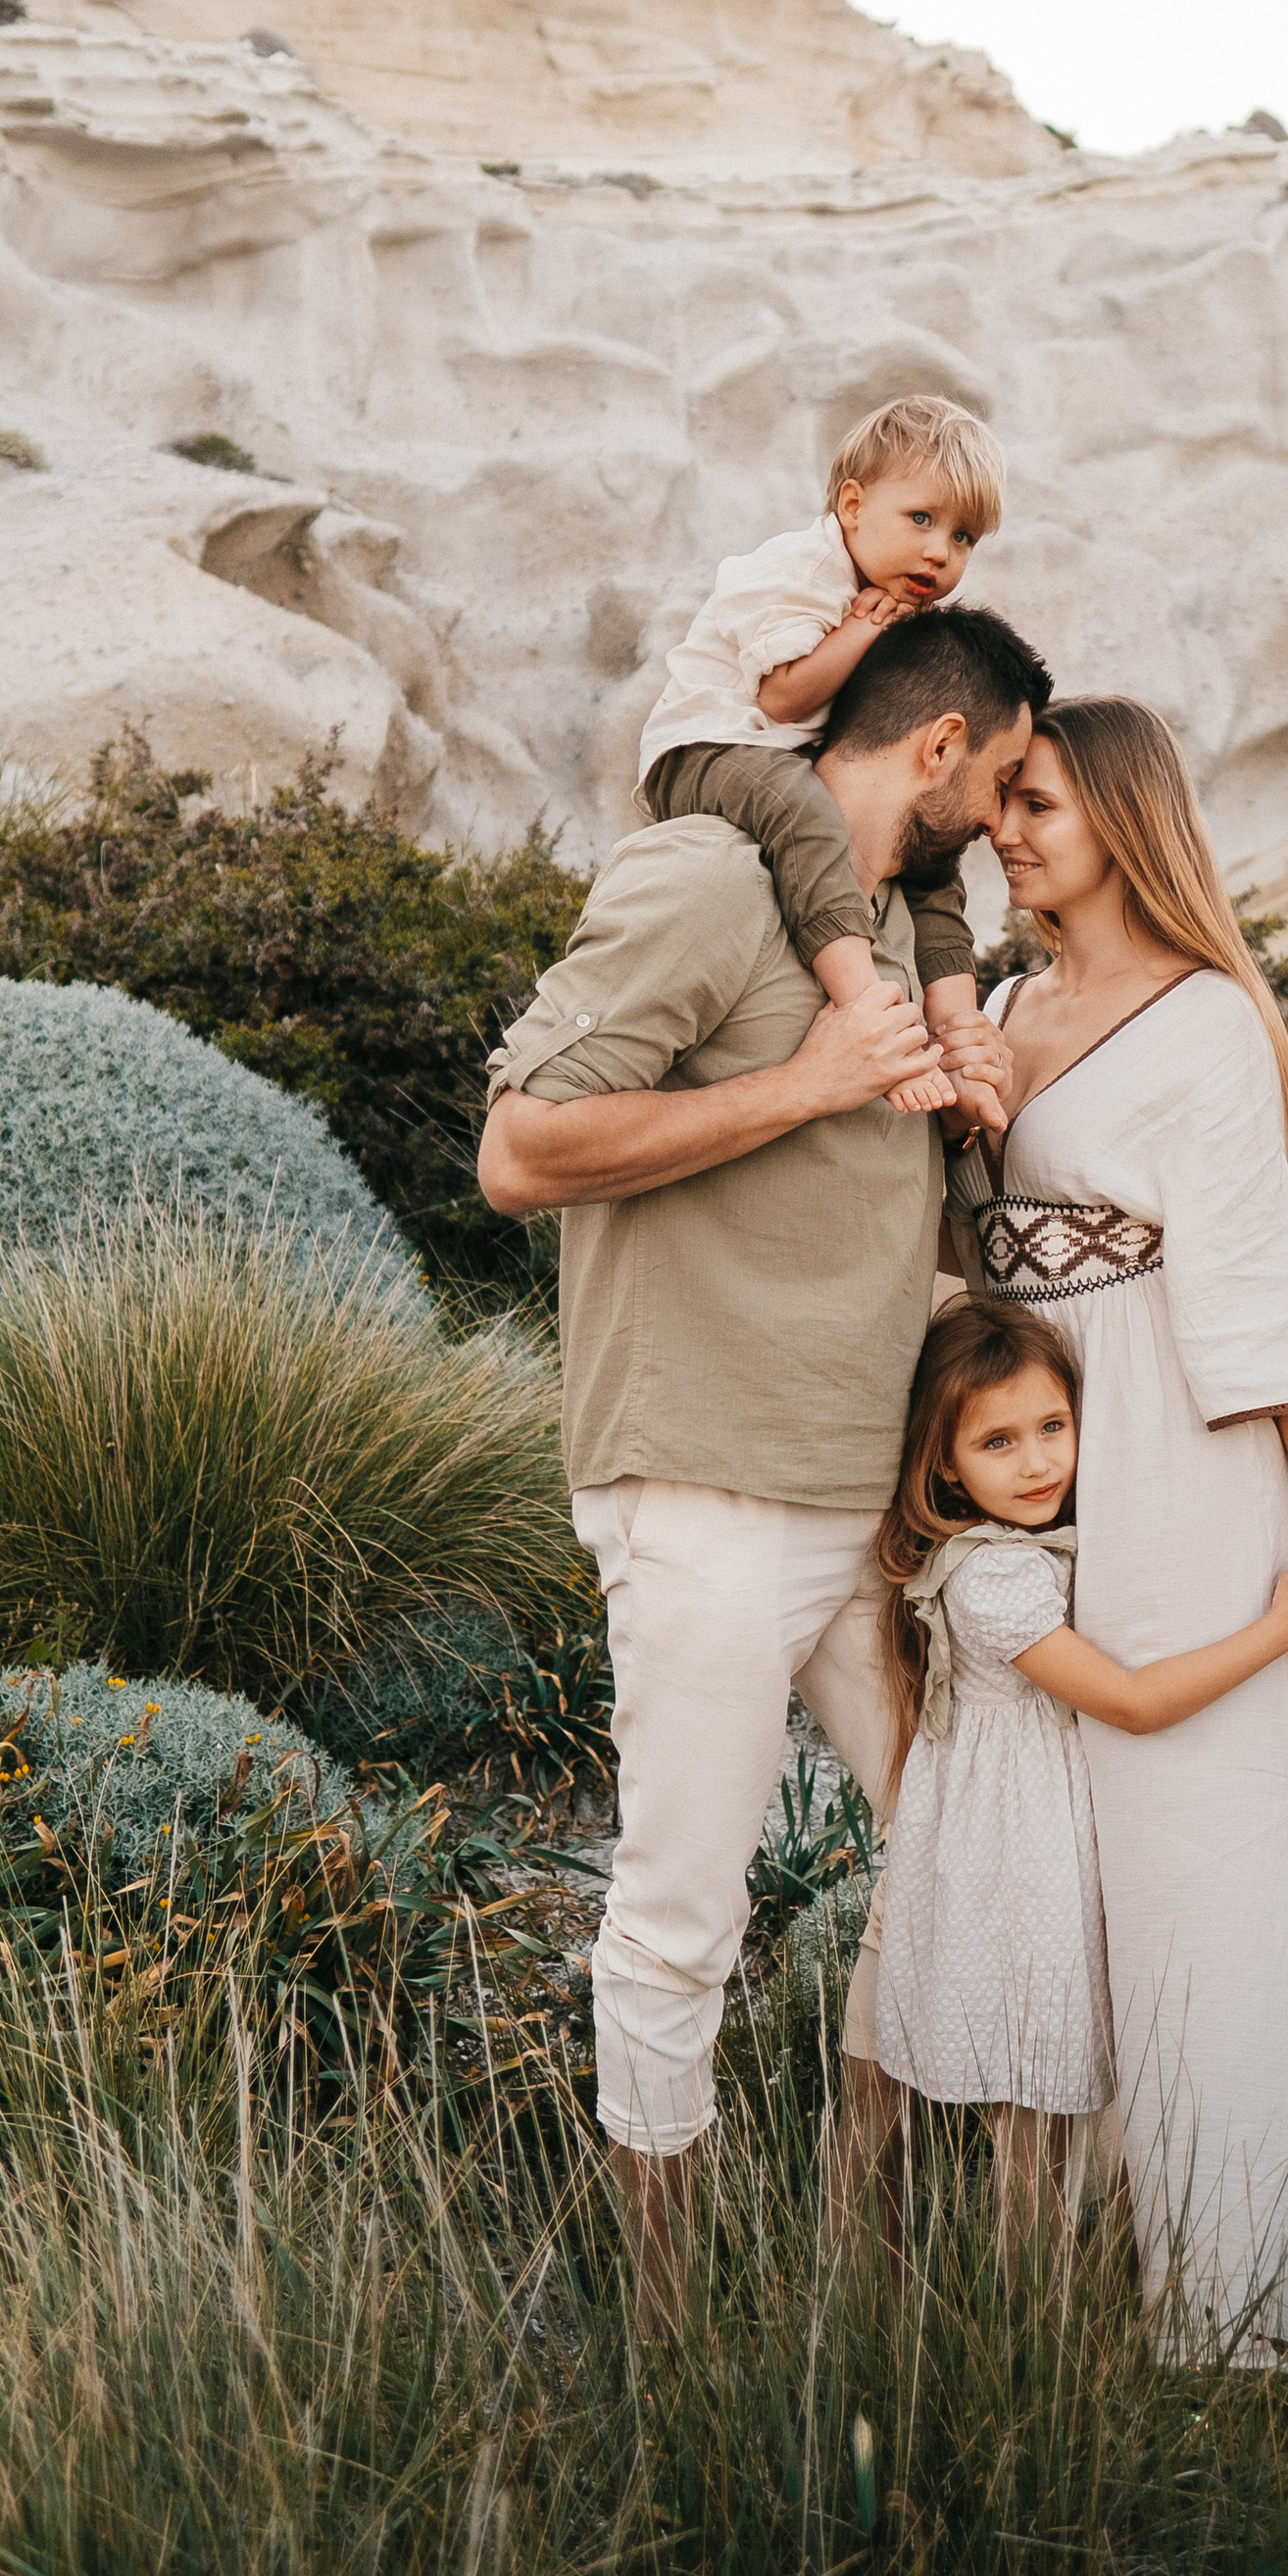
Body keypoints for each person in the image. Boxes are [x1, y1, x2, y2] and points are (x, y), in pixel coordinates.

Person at [476, 601, 1052, 2312]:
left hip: (869, 1507)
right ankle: (670, 2320)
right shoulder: (710, 880)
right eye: (1002, 783)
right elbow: (519, 1150)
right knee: (682, 1917)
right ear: (938, 748)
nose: (1003, 827)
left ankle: (862, 2230)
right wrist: (804, 1085)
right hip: (705, 1491)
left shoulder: (891, 935)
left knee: (957, 1846)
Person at [952, 694, 1288, 2353]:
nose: (1006, 830)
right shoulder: (1002, 1002)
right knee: (1050, 1853)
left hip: (1178, 1454)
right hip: (1033, 1464)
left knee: (1195, 1842)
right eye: (1001, 802)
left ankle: (1245, 2300)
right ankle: (1071, 2284)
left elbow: (1258, 1282)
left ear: (1123, 822)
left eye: (1039, 804)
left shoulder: (1205, 1022)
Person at [872, 1296, 1288, 2283]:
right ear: (945, 1464)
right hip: (1019, 1873)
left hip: (1051, 1846)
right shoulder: (991, 1581)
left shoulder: (1047, 1545)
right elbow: (1129, 1702)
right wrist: (1278, 1629)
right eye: (997, 1442)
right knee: (1033, 2122)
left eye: (1053, 1426)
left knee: (1071, 2112)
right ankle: (1031, 2325)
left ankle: (1095, 2292)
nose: (1038, 1463)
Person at [636, 395, 1009, 1122]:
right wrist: (859, 634)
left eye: (964, 537)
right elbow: (781, 699)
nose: (940, 552)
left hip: (782, 757)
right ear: (852, 505)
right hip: (710, 745)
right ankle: (867, 1011)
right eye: (922, 519)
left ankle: (958, 1033)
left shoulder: (889, 594)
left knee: (932, 854)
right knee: (804, 813)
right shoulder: (800, 570)